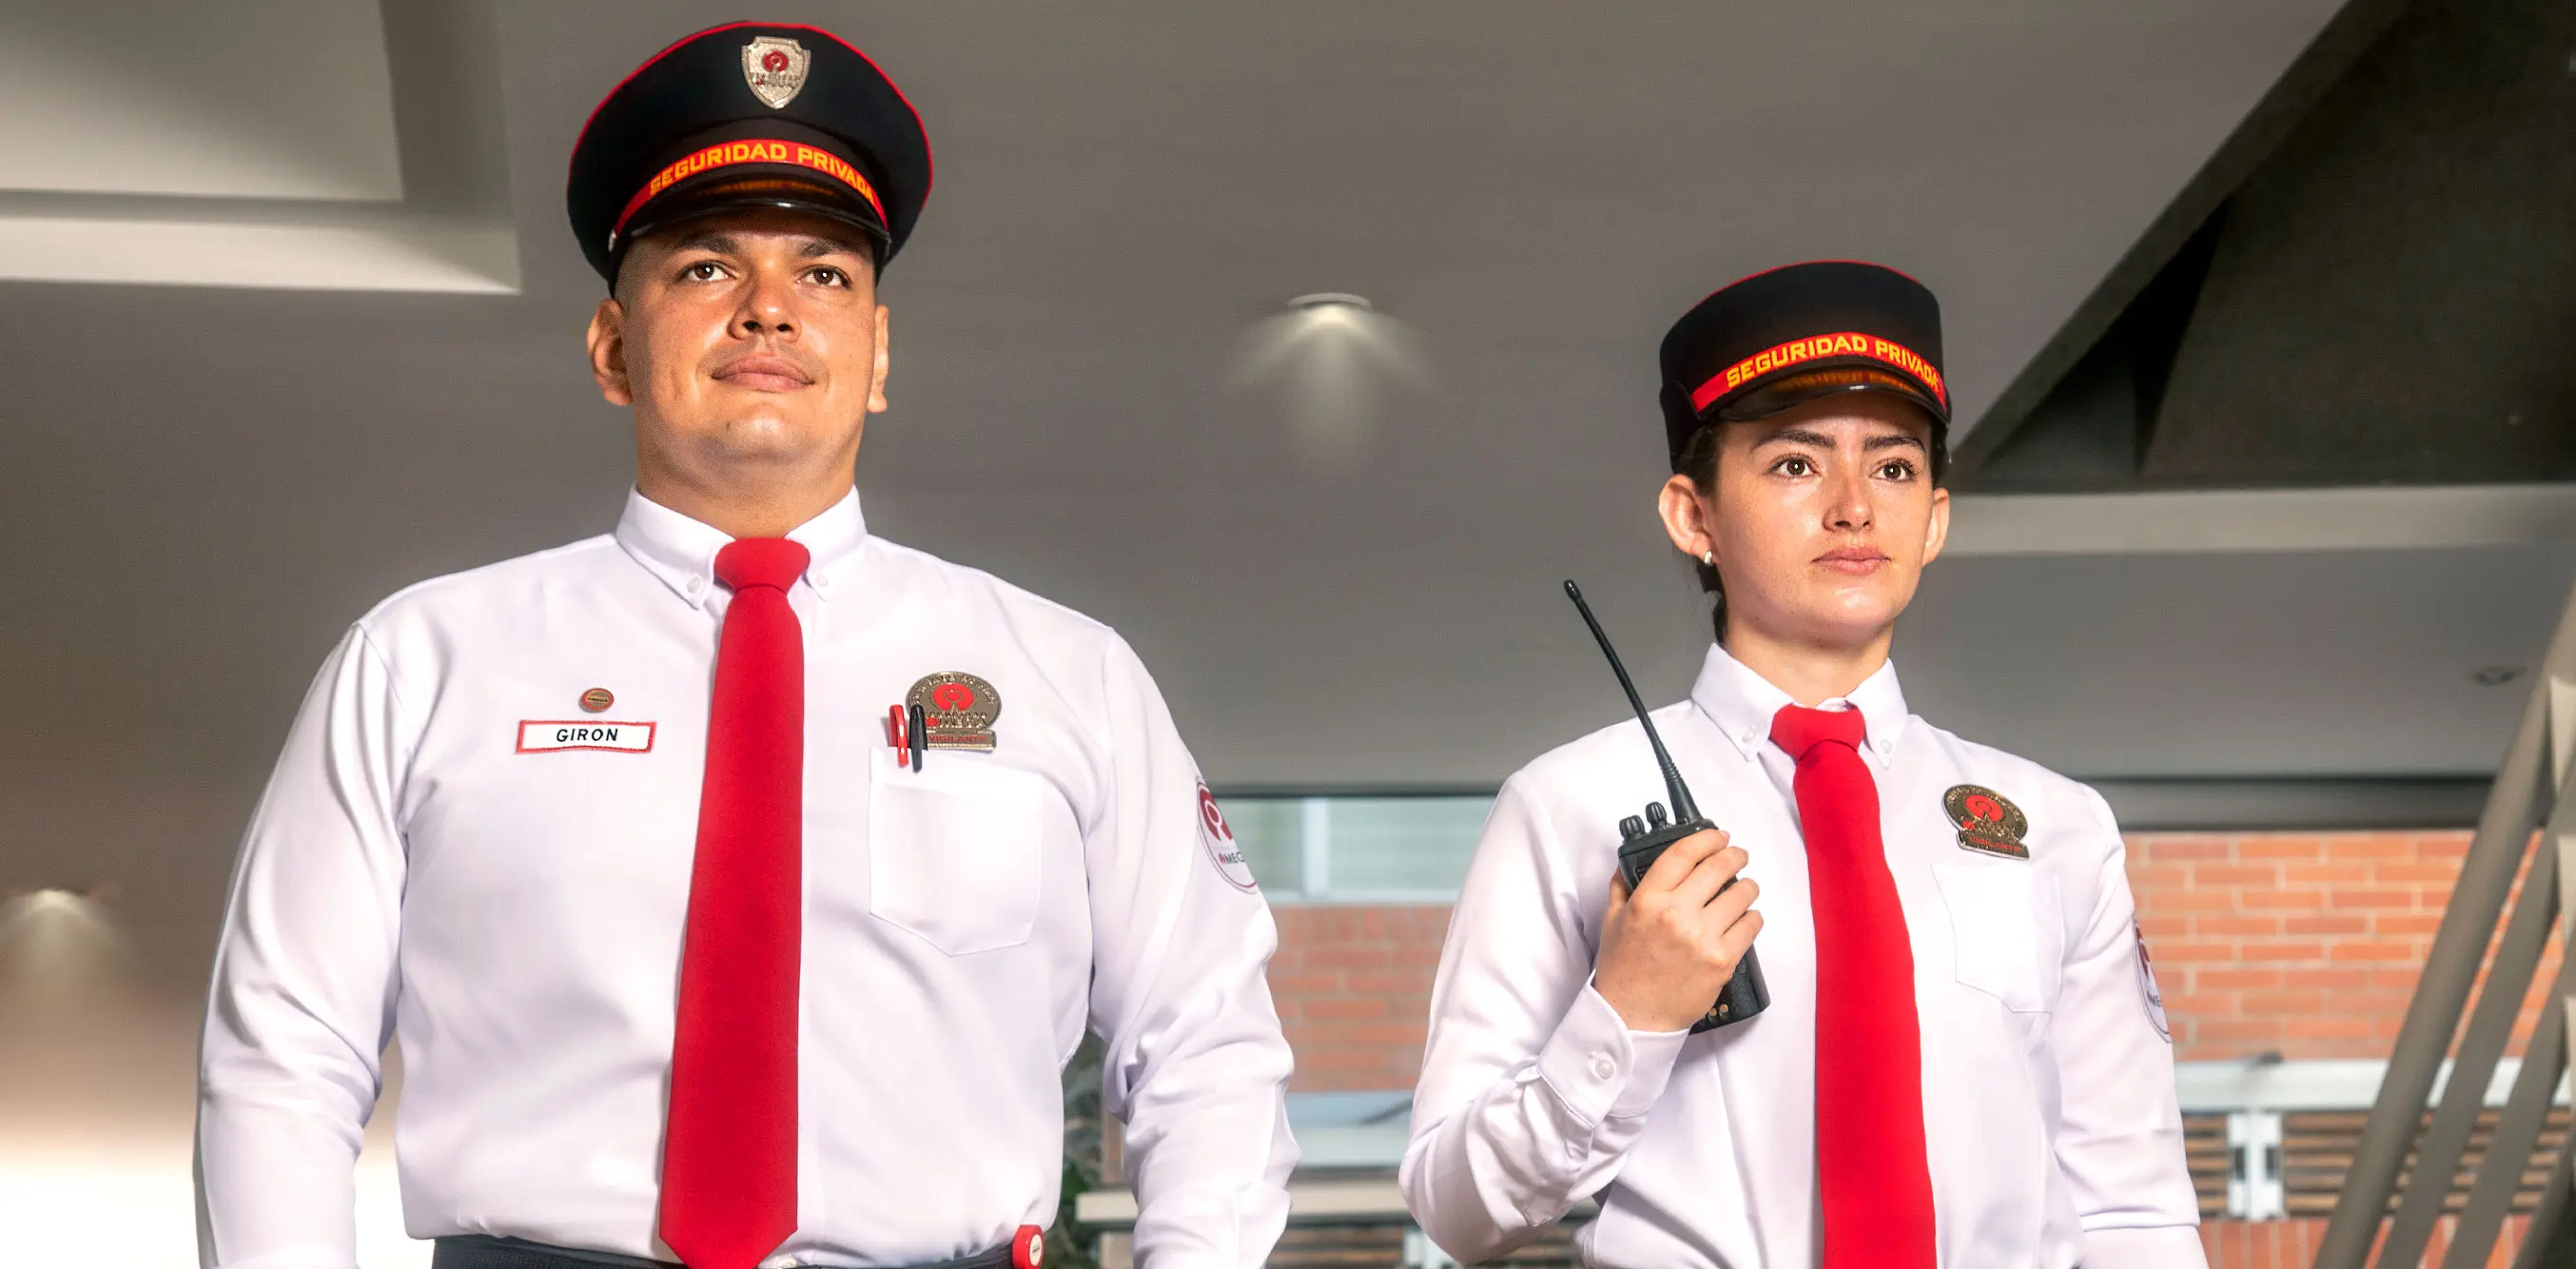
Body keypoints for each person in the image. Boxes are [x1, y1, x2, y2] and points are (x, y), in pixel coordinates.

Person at [195, 23, 1295, 1269]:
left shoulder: (1069, 675)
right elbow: (283, 1054)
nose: (770, 307)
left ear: (877, 357)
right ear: (615, 348)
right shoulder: (419, 661)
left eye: (825, 274)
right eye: (706, 267)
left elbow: (1208, 1039)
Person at [1399, 262, 2202, 1268]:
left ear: (1936, 517)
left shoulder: (2054, 824)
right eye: (1793, 463)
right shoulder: (1567, 804)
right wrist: (1625, 1012)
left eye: (1894, 466)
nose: (1853, 506)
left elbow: (2132, 1207)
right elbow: (1454, 1205)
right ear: (1692, 517)